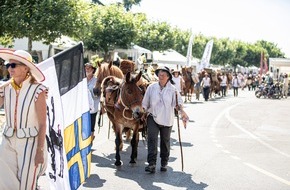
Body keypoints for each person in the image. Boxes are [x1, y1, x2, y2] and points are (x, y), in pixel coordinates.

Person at [0, 49, 47, 189]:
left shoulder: (38, 90)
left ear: (26, 68)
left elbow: (43, 123)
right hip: (7, 140)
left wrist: (40, 150)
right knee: (4, 181)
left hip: (30, 143)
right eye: (8, 65)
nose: (9, 68)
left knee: (27, 184)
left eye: (13, 65)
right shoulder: (5, 88)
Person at [142, 66, 188, 173]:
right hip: (152, 116)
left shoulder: (173, 90)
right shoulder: (151, 87)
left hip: (167, 119)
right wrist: (143, 111)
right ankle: (152, 164)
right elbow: (145, 102)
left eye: (163, 75)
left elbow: (178, 104)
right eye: (159, 74)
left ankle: (164, 163)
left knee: (165, 142)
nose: (161, 76)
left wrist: (181, 111)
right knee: (152, 140)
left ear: (168, 77)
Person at [85, 62, 100, 141]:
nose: (87, 69)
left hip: (93, 106)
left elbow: (98, 94)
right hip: (83, 106)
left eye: (89, 68)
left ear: (93, 70)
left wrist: (90, 90)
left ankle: (91, 138)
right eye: (86, 68)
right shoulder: (82, 79)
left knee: (91, 124)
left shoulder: (96, 80)